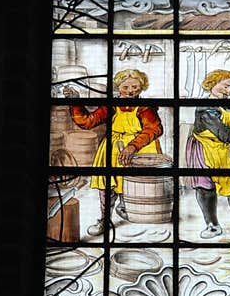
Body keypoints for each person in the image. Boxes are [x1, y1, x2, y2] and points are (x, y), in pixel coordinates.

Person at [64, 69, 163, 236]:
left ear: (142, 87)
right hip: (112, 149)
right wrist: (75, 101)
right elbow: (87, 122)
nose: (130, 91)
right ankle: (105, 219)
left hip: (140, 148)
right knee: (107, 184)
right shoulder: (111, 105)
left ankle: (128, 208)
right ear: (118, 87)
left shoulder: (145, 107)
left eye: (135, 87)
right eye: (126, 86)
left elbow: (154, 128)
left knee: (134, 183)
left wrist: (133, 146)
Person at [185, 69, 230, 239]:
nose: (229, 91)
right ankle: (212, 225)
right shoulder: (205, 108)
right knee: (206, 188)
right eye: (225, 86)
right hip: (203, 150)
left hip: (226, 150)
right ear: (213, 83)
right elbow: (223, 133)